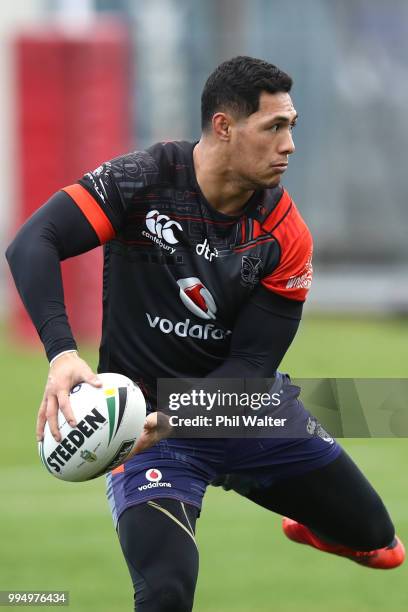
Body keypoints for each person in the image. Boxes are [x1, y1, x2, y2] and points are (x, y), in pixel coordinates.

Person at [6, 56, 404, 611]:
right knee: (165, 591)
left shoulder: (285, 234)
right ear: (224, 127)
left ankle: (311, 520)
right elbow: (33, 242)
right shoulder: (140, 181)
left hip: (240, 407)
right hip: (145, 427)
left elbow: (251, 366)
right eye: (274, 127)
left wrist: (178, 417)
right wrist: (62, 354)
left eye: (292, 126)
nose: (289, 144)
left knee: (380, 543)